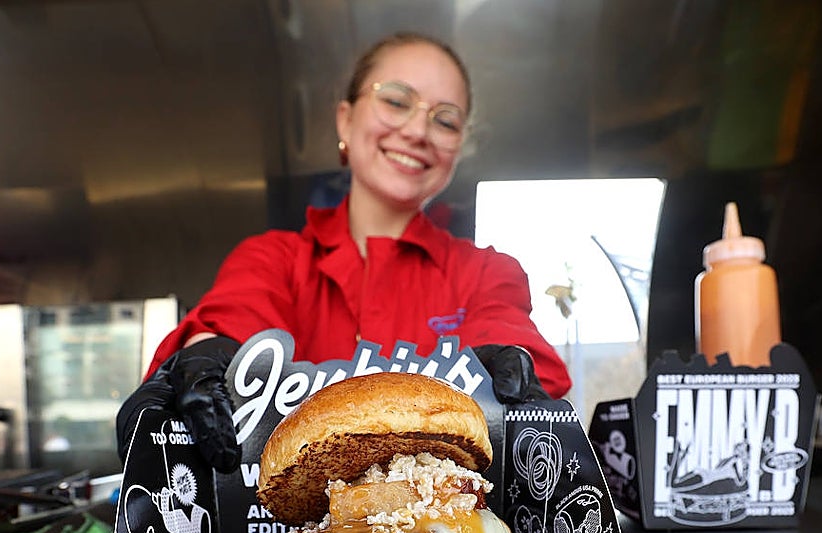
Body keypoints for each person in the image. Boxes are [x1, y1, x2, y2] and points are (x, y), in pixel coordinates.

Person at [117, 31, 572, 471]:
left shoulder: (487, 271)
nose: (417, 130)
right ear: (345, 119)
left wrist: (509, 365)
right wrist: (205, 355)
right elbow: (232, 320)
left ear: (457, 148)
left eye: (445, 119)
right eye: (396, 100)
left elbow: (516, 346)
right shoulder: (274, 259)